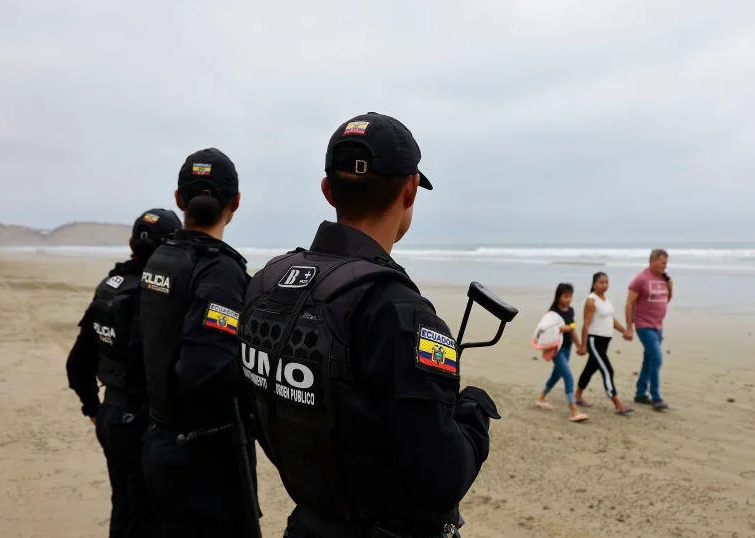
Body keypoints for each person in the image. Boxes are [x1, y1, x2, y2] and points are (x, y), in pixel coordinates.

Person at [240, 112, 499, 538]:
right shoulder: (396, 310)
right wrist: (474, 410)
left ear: (328, 190)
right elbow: (440, 478)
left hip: (307, 522)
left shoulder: (266, 284)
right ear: (411, 188)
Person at [136, 148, 260, 537]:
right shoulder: (219, 270)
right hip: (205, 457)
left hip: (159, 438)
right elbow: (206, 369)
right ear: (235, 203)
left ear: (178, 199)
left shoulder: (161, 257)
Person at [65, 207, 182, 538]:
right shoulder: (156, 295)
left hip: (112, 416)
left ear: (132, 242)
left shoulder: (110, 285)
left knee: (125, 508)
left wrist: (94, 409)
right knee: (146, 516)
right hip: (143, 422)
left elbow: (77, 364)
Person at [574, 272, 634, 415]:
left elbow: (610, 320)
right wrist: (583, 345)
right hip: (594, 341)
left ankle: (577, 396)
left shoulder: (605, 299)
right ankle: (617, 404)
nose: (605, 285)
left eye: (606, 282)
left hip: (604, 342)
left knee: (590, 369)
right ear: (594, 284)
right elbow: (586, 324)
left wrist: (624, 331)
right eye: (601, 282)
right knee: (608, 370)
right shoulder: (591, 301)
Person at [624, 248, 673, 411]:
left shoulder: (663, 278)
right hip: (644, 325)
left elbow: (665, 299)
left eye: (666, 263)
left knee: (649, 359)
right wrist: (629, 327)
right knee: (657, 358)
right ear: (653, 261)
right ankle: (656, 397)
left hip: (658, 325)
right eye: (663, 262)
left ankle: (640, 393)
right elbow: (629, 303)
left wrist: (670, 286)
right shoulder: (641, 279)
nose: (665, 266)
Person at [534, 283, 589, 422]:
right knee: (568, 377)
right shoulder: (552, 314)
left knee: (556, 375)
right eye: (565, 296)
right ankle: (574, 410)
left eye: (570, 296)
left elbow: (572, 329)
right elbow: (544, 329)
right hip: (556, 349)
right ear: (558, 296)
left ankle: (541, 398)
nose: (568, 299)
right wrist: (560, 328)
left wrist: (580, 346)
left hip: (567, 348)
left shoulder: (570, 311)